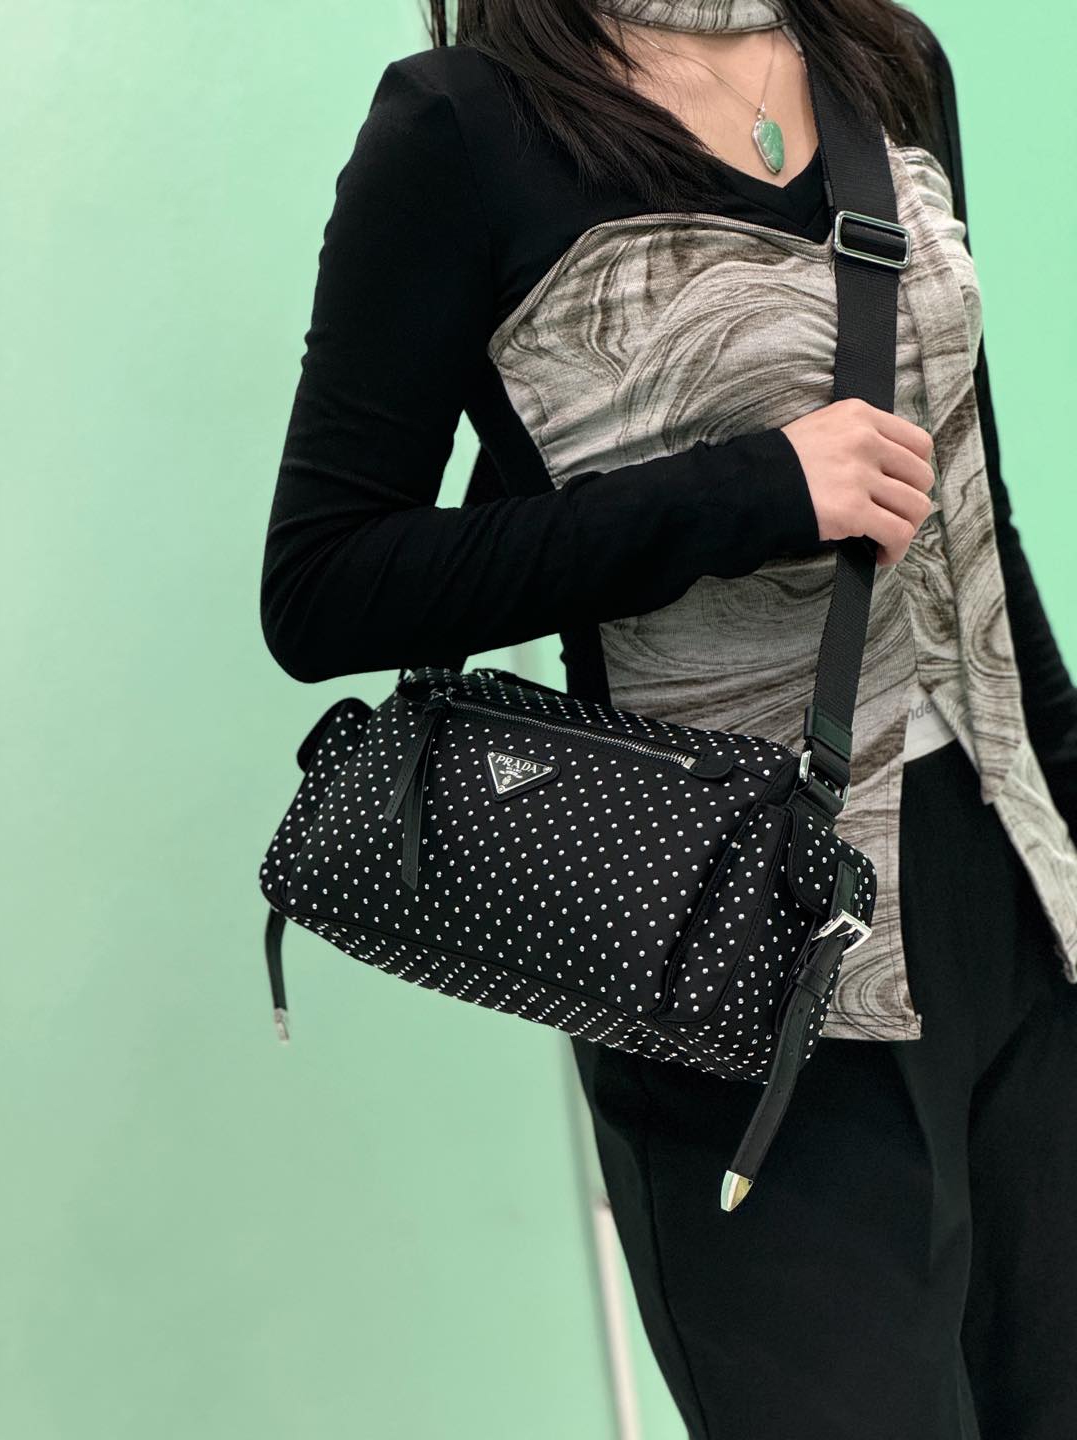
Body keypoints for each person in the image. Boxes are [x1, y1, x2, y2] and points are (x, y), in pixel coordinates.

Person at [259, 2, 1077, 1434]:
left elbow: (968, 507)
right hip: (735, 950)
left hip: (1016, 896)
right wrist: (753, 492)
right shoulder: (463, 127)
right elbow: (321, 588)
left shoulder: (887, 58)